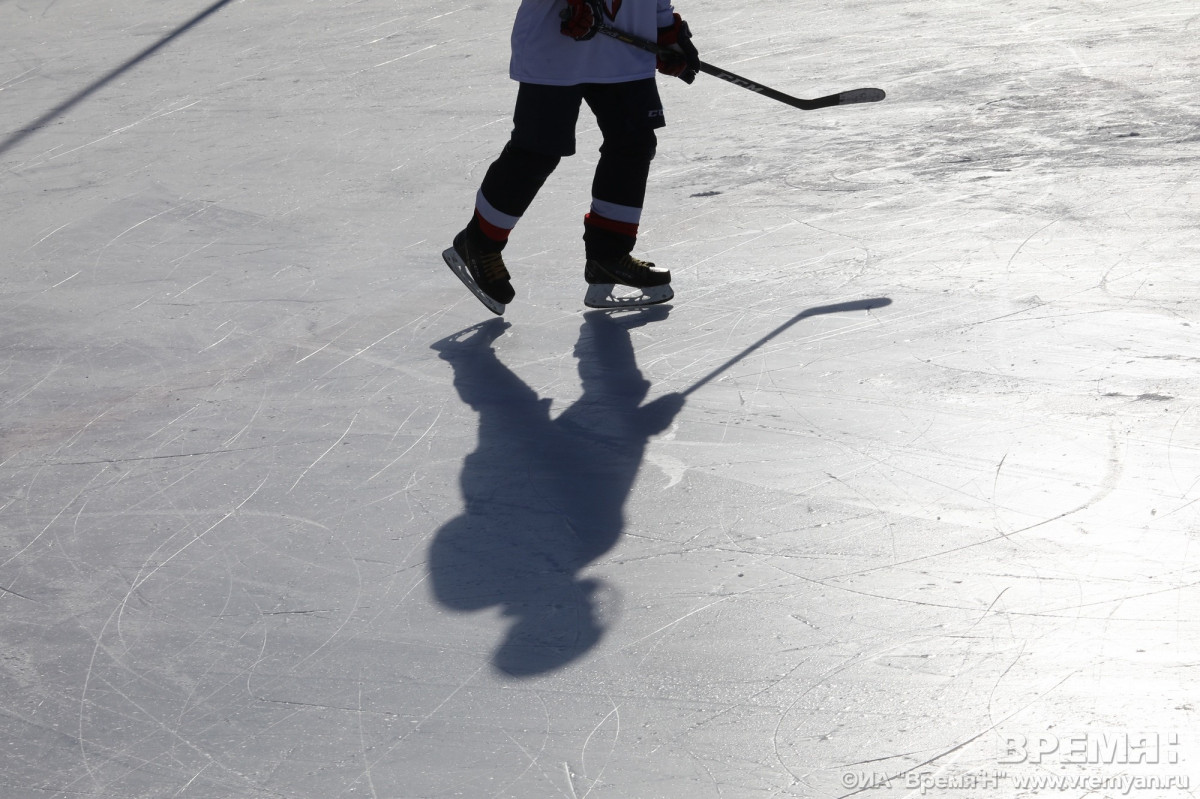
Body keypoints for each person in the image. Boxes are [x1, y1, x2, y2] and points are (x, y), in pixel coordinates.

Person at [442, 0, 701, 315]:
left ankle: (608, 257)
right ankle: (480, 241)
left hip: (625, 45)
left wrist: (664, 27)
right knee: (538, 149)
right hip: (557, 43)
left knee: (633, 143)